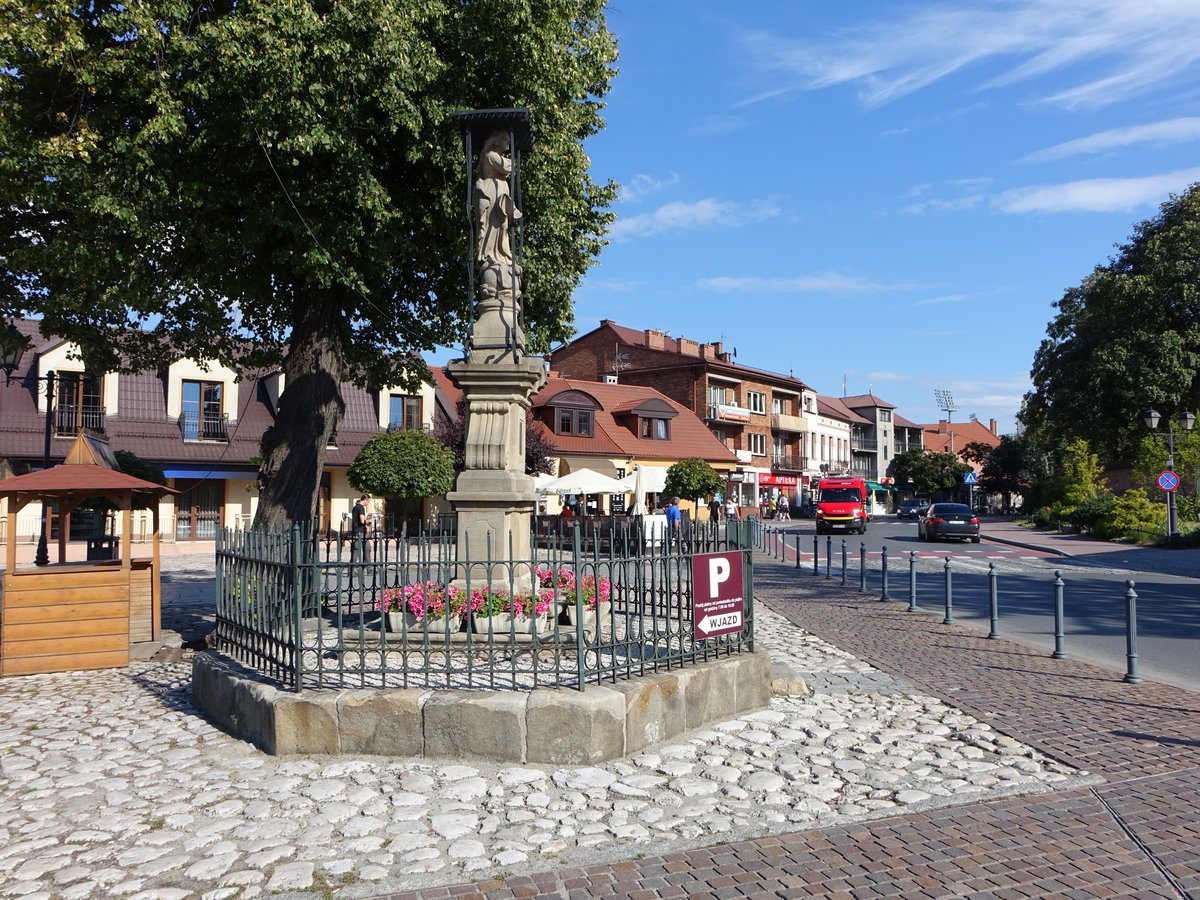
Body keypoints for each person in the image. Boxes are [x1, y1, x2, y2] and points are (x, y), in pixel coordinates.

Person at [350, 494, 371, 587]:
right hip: (361, 532)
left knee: (357, 550)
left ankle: (352, 571)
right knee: (365, 549)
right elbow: (362, 520)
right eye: (368, 501)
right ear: (365, 500)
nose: (368, 503)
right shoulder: (361, 508)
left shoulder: (355, 507)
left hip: (355, 531)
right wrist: (369, 521)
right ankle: (369, 570)